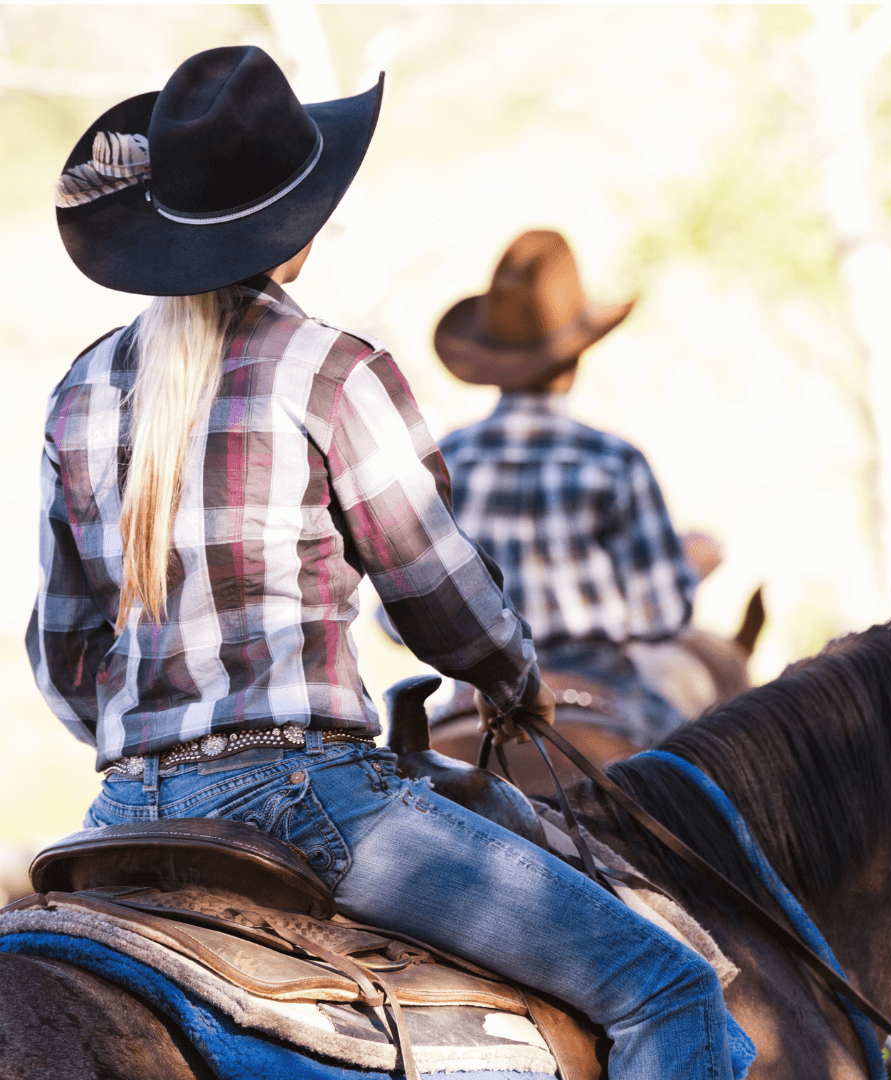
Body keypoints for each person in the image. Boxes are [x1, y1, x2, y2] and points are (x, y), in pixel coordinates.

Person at [28, 45, 741, 1080]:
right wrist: (512, 681)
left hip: (123, 811)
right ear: (297, 231)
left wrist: (155, 748)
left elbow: (61, 648)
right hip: (311, 803)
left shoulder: (81, 391)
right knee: (666, 986)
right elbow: (430, 592)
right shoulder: (331, 370)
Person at [432, 230, 714, 743]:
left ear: (491, 360)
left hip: (475, 694)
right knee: (712, 787)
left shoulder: (446, 459)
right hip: (603, 683)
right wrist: (693, 567)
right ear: (575, 358)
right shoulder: (612, 461)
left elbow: (404, 611)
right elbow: (663, 615)